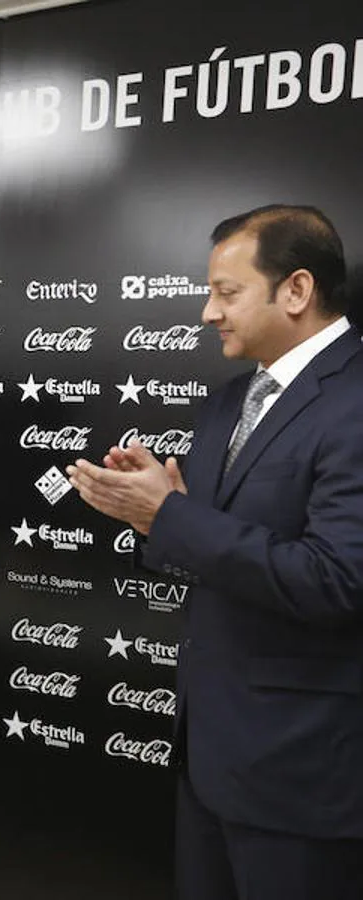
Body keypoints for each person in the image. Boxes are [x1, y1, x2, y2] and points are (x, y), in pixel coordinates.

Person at [68, 205, 363, 899]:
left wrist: (173, 516)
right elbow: (210, 546)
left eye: (226, 293)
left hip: (303, 774)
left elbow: (338, 580)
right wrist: (158, 520)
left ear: (295, 290)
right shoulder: (230, 401)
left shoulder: (354, 399)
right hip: (209, 757)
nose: (207, 313)